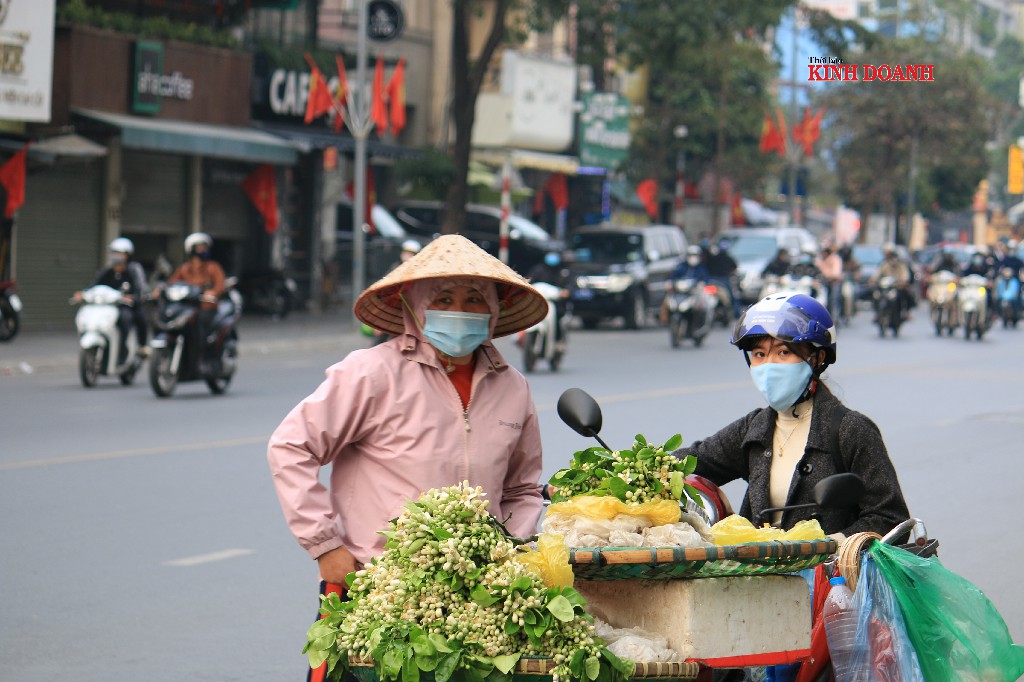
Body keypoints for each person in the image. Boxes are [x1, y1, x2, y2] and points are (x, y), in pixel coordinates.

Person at [267, 234, 548, 681]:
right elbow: (291, 446)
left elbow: (522, 488)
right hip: (375, 583)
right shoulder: (370, 373)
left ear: (494, 310)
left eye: (474, 298)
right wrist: (326, 546)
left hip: (477, 599)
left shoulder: (513, 386)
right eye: (444, 298)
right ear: (413, 305)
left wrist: (508, 555)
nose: (459, 309)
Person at [676, 292, 910, 538]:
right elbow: (693, 459)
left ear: (816, 358)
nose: (769, 365)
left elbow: (891, 519)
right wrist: (642, 471)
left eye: (783, 352)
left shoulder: (851, 430)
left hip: (830, 574)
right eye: (759, 354)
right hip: (763, 573)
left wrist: (831, 544)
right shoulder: (754, 428)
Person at [74, 237, 150, 361]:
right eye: (114, 253)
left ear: (127, 255)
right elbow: (94, 285)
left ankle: (125, 349)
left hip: (126, 306)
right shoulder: (107, 271)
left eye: (120, 253)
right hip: (108, 307)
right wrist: (83, 294)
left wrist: (134, 297)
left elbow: (140, 289)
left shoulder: (133, 270)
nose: (116, 256)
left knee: (127, 317)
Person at [166, 232, 226, 367]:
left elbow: (219, 285)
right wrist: (161, 291)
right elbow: (172, 283)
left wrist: (212, 293)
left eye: (204, 247)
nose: (202, 250)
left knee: (201, 327)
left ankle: (203, 359)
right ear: (191, 250)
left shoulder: (213, 267)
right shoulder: (184, 269)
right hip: (187, 308)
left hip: (206, 308)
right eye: (199, 247)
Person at [526, 249, 573, 350]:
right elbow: (530, 281)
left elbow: (570, 286)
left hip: (557, 303)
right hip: (540, 301)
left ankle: (558, 340)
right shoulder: (538, 270)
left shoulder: (564, 272)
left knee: (558, 318)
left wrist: (566, 292)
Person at [870, 244, 913, 320]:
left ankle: (905, 312)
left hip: (897, 286)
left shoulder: (900, 263)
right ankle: (878, 314)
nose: (886, 255)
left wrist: (903, 282)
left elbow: (905, 274)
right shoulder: (884, 263)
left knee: (906, 295)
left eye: (887, 253)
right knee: (875, 296)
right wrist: (872, 280)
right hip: (886, 287)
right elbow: (878, 273)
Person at [815, 244, 843, 322]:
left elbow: (836, 273)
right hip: (821, 283)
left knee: (833, 300)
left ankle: (834, 319)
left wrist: (830, 277)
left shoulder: (835, 259)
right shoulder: (819, 260)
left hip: (833, 283)